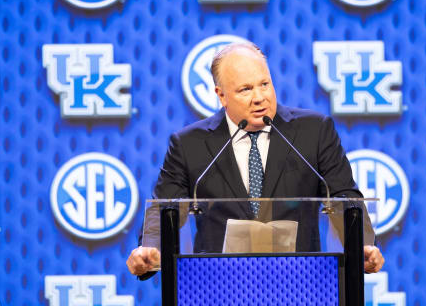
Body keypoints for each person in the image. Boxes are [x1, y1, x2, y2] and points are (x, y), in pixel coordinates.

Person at [127, 41, 384, 276]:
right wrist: (151, 249)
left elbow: (344, 198)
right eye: (245, 89)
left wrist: (360, 243)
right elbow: (165, 209)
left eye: (265, 84)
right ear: (221, 95)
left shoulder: (314, 131)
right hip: (218, 286)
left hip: (302, 282)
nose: (260, 97)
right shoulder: (188, 144)